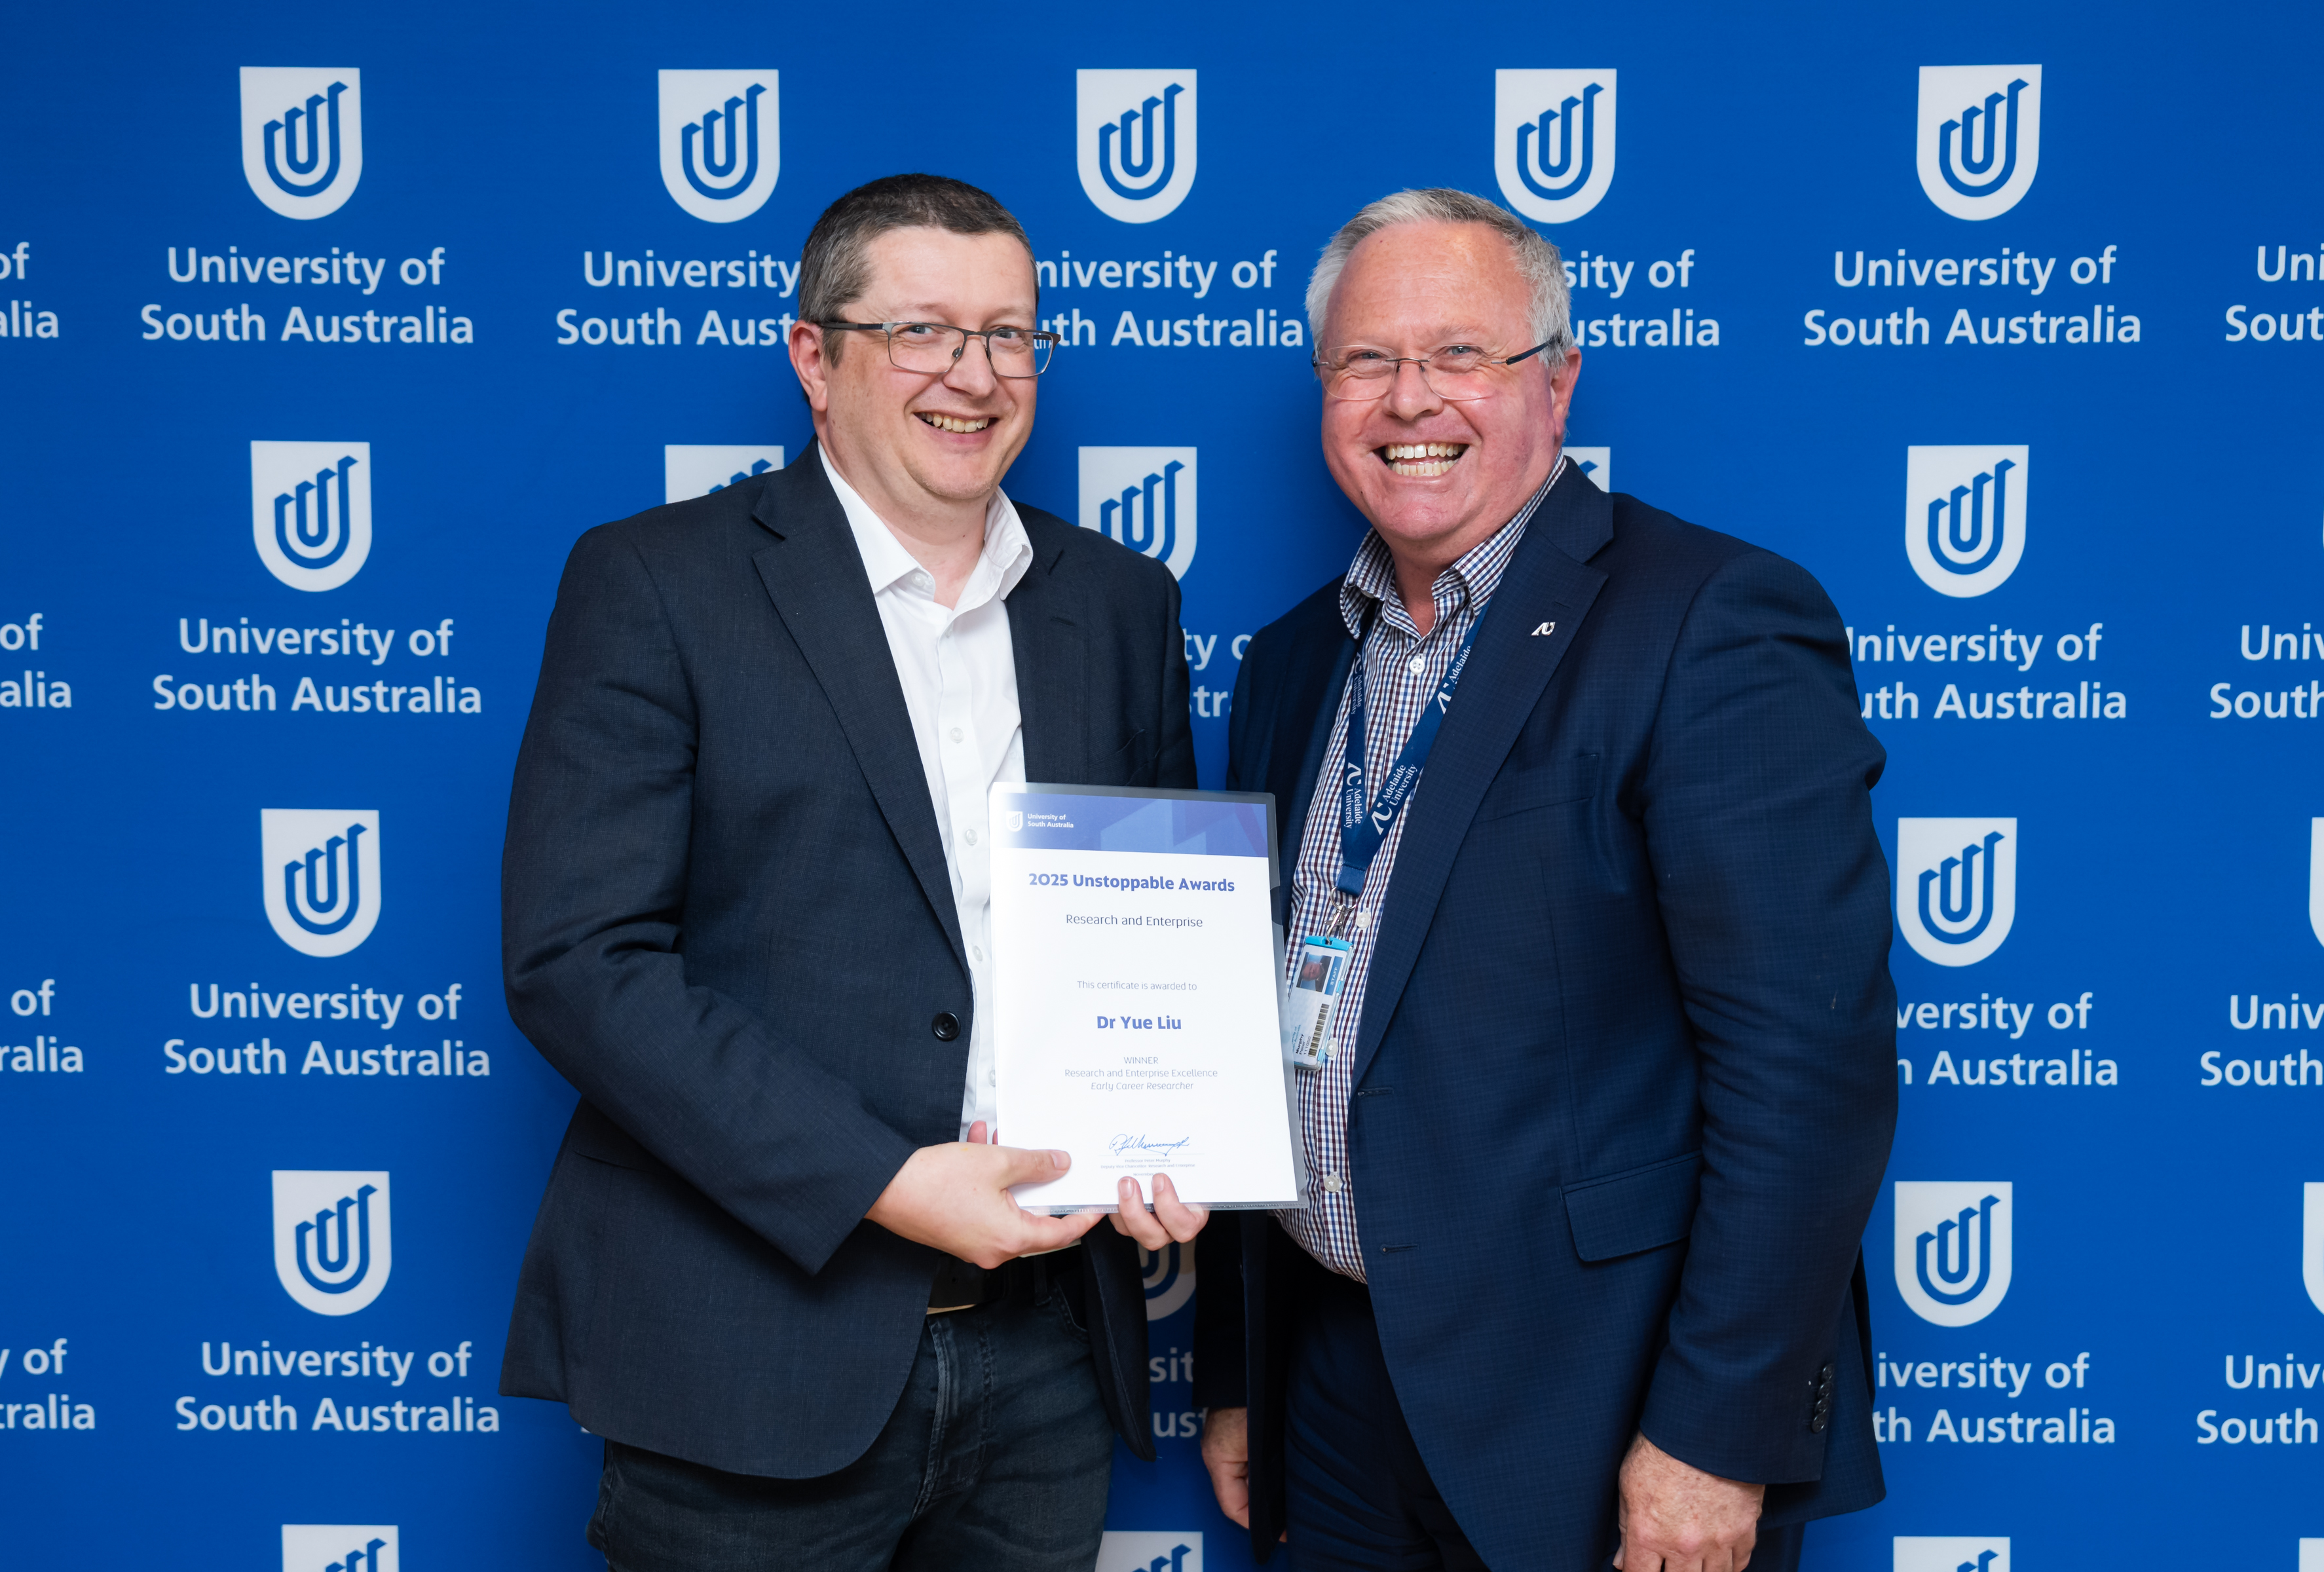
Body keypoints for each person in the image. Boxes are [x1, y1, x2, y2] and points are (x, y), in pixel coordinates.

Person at [498, 173, 1207, 1572]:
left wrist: (1165, 1127)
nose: (975, 374)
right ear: (815, 359)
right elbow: (579, 962)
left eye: (1010, 335)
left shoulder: (1121, 604)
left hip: (1047, 1356)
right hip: (747, 1355)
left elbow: (1155, 941)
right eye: (923, 333)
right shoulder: (657, 582)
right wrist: (883, 1178)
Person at [1192, 188, 1898, 1572]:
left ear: (1557, 381)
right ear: (1323, 389)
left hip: (1596, 1406)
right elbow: (1258, 1032)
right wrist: (1240, 1368)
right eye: (1367, 362)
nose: (1412, 400)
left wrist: (1717, 1436)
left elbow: (1807, 1072)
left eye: (1462, 354)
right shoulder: (1292, 662)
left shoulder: (1710, 622)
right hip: (1333, 1393)